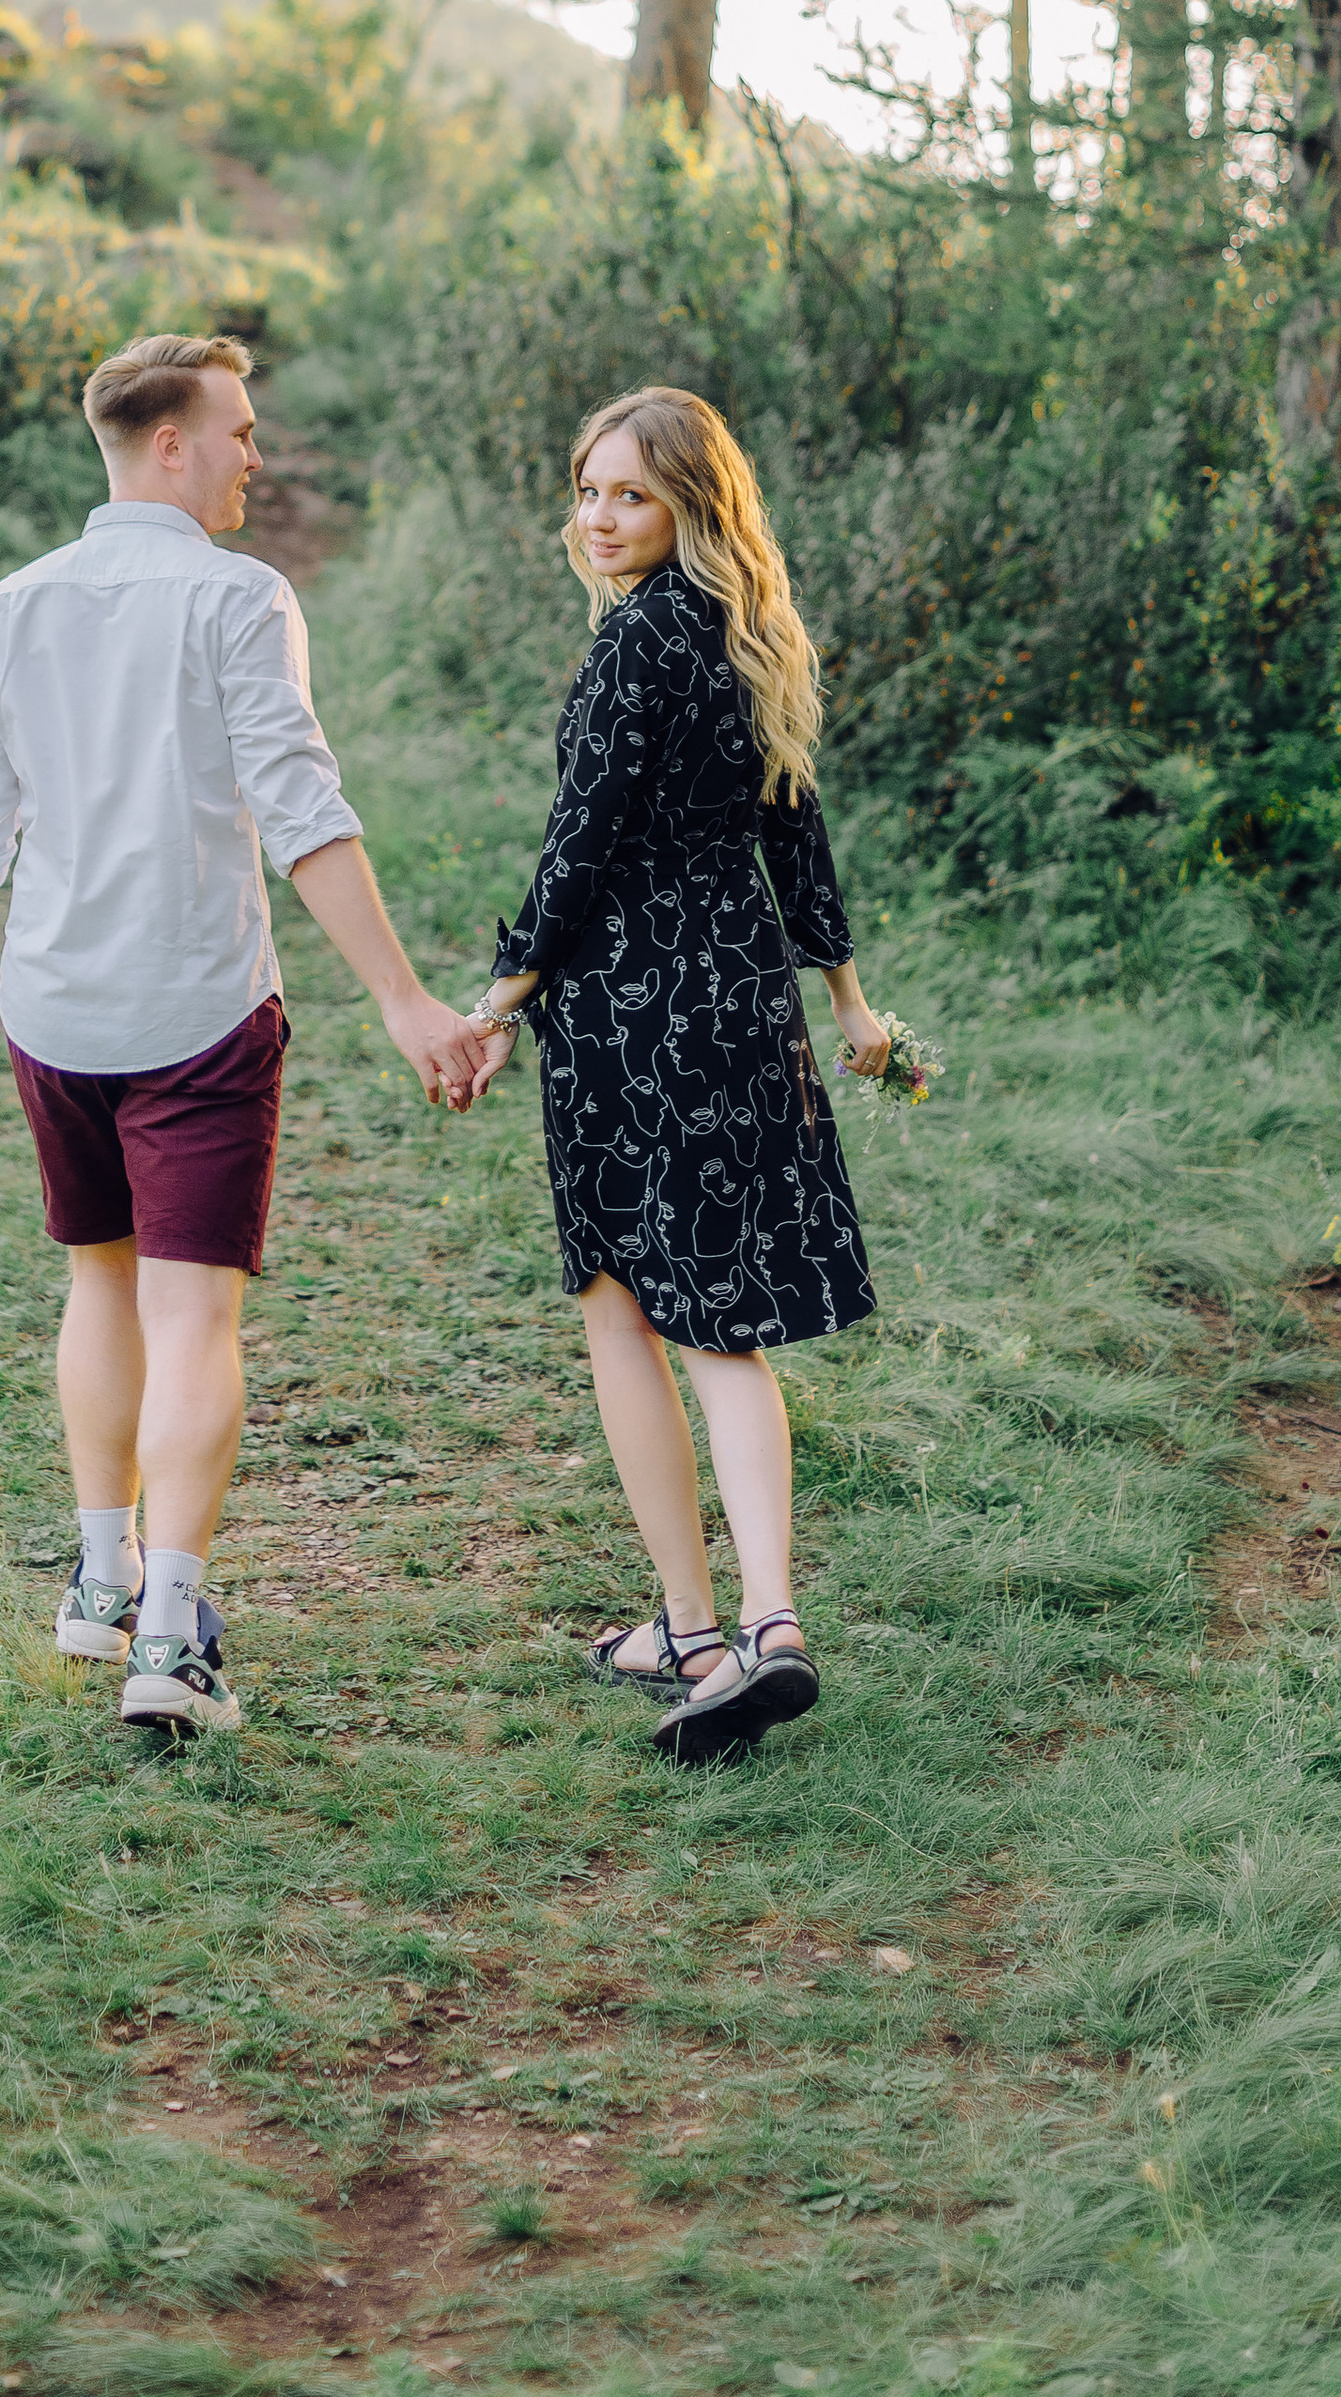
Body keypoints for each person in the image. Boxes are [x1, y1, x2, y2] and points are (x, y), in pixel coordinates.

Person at [0, 330, 491, 1738]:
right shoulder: (240, 600)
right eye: (236, 430)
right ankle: (173, 1634)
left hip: (53, 1010)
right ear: (168, 444)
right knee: (191, 1313)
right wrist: (408, 1002)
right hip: (197, 1015)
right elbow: (302, 810)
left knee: (97, 1288)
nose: (254, 455)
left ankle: (102, 1585)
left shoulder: (11, 606)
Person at [466, 385, 891, 1763]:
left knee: (621, 1304)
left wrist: (504, 990)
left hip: (628, 1009)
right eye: (587, 490)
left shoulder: (630, 649)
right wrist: (847, 994)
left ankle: (697, 1628)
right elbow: (796, 828)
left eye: (629, 495)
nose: (597, 518)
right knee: (727, 1321)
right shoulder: (748, 634)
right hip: (740, 997)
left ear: (692, 506)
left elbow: (580, 844)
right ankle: (768, 1625)